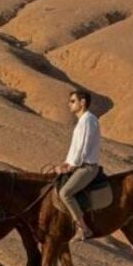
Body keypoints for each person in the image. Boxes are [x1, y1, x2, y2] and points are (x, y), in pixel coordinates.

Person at [54, 89, 102, 242]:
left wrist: (71, 166)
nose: (69, 104)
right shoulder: (82, 122)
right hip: (78, 165)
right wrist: (65, 163)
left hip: (86, 167)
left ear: (82, 103)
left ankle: (83, 228)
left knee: (65, 193)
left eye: (73, 101)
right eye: (70, 101)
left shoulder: (88, 120)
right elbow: (74, 149)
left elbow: (83, 148)